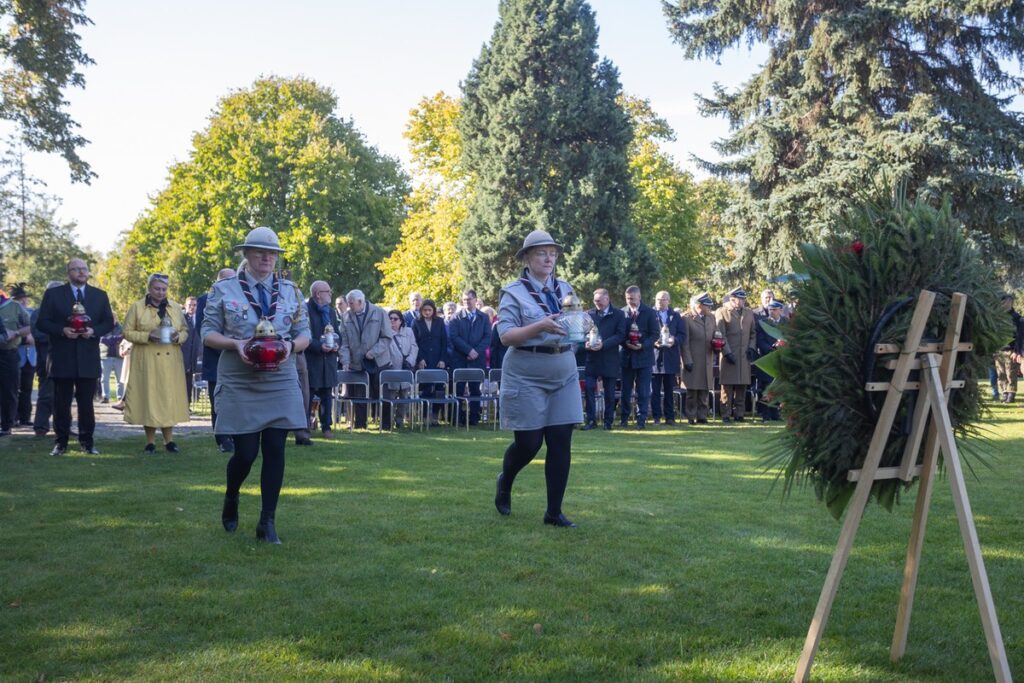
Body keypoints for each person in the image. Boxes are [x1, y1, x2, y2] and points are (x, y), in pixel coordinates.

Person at [201, 227, 310, 544]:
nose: (266, 257)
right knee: (246, 453)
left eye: (272, 252)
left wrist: (292, 347)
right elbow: (208, 333)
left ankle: (267, 521)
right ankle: (232, 494)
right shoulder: (224, 290)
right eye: (259, 251)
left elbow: (305, 333)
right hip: (240, 376)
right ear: (245, 255)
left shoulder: (291, 291)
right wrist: (236, 344)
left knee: (276, 448)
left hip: (280, 375)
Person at [494, 229, 583, 528]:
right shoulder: (513, 292)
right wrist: (539, 326)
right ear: (527, 258)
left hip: (564, 369)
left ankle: (553, 512)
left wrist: (587, 328)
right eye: (541, 253)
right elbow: (506, 336)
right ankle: (505, 481)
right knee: (529, 444)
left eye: (553, 253)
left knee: (560, 441)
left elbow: (574, 323)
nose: (548, 258)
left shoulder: (565, 288)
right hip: (526, 371)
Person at [35, 258, 115, 455]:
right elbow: (42, 323)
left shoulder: (99, 295)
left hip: (88, 358)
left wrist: (94, 331)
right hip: (62, 357)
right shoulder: (53, 294)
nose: (81, 272)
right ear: (68, 273)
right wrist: (62, 330)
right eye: (76, 269)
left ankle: (87, 442)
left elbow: (108, 322)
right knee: (61, 404)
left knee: (86, 404)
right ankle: (60, 442)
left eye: (84, 269)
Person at [122, 273, 191, 452]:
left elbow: (185, 330)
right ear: (149, 288)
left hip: (170, 362)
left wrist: (178, 337)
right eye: (157, 289)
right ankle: (150, 441)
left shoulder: (175, 307)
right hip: (148, 360)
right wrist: (147, 336)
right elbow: (127, 332)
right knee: (150, 399)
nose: (160, 292)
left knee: (168, 399)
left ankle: (169, 441)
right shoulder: (137, 307)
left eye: (164, 289)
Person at [339, 289, 393, 429]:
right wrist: (345, 360)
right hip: (357, 363)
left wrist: (373, 352)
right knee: (359, 395)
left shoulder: (379, 312)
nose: (349, 307)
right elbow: (343, 343)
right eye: (348, 304)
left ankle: (386, 425)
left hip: (379, 361)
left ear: (361, 302)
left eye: (351, 304)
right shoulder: (346, 317)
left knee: (383, 394)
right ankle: (360, 425)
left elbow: (387, 337)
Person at [196, 268, 236, 452]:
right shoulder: (205, 300)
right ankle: (222, 438)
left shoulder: (241, 297)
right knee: (217, 399)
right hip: (216, 357)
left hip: (238, 358)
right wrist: (225, 344)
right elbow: (203, 331)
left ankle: (237, 435)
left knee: (237, 399)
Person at [582, 288, 626, 430]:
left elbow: (620, 335)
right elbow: (581, 333)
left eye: (600, 301)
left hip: (609, 359)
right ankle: (591, 420)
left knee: (609, 392)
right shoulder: (589, 314)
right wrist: (586, 343)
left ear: (607, 299)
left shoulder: (619, 314)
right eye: (595, 301)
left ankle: (608, 421)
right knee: (589, 388)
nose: (598, 304)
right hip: (592, 359)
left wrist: (604, 344)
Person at [449, 288, 492, 426]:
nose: (466, 302)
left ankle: (474, 418)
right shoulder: (455, 317)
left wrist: (476, 352)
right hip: (460, 359)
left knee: (475, 390)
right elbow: (454, 337)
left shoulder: (483, 317)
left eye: (469, 299)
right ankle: (457, 418)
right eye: (464, 299)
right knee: (459, 389)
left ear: (475, 300)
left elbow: (487, 337)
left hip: (477, 359)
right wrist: (468, 351)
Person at [619, 285, 660, 429]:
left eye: (633, 299)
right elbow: (620, 333)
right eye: (628, 299)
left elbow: (655, 334)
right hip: (627, 357)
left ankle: (641, 419)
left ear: (639, 297)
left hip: (644, 357)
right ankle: (624, 418)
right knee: (626, 391)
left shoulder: (649, 312)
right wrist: (626, 343)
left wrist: (643, 345)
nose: (631, 301)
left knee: (643, 391)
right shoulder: (622, 313)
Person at [716, 287, 757, 422]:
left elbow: (753, 333)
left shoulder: (749, 313)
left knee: (742, 386)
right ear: (733, 299)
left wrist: (751, 347)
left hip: (744, 355)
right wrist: (727, 352)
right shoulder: (722, 312)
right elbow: (720, 334)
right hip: (729, 354)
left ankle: (739, 414)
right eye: (740, 298)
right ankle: (726, 414)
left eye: (744, 298)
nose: (743, 301)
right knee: (727, 387)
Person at [305, 280, 340, 438]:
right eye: (328, 291)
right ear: (318, 294)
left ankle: (327, 427)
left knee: (327, 395)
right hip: (313, 360)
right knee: (308, 394)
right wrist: (319, 346)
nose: (330, 294)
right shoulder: (305, 311)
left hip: (329, 360)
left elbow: (337, 332)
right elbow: (305, 336)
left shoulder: (331, 312)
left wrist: (337, 344)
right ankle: (304, 427)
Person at [30, 281, 62, 436]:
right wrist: (60, 332)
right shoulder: (38, 313)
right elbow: (38, 335)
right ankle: (41, 427)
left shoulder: (66, 312)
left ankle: (62, 427)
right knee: (46, 395)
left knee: (64, 395)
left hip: (64, 360)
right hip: (46, 361)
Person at [0, 284, 32, 436]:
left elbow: (30, 326)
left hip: (8, 354)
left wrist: (16, 332)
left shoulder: (14, 307)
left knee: (9, 390)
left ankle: (6, 425)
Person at [651, 290, 687, 425]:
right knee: (654, 391)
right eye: (658, 299)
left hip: (670, 357)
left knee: (668, 390)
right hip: (654, 357)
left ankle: (670, 417)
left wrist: (674, 340)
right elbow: (646, 332)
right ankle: (656, 417)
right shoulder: (650, 313)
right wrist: (654, 342)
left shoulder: (675, 316)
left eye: (663, 299)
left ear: (669, 301)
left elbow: (682, 335)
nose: (660, 301)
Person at [681, 292, 717, 424]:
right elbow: (684, 343)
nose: (708, 308)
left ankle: (702, 415)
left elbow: (716, 333)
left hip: (707, 358)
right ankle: (691, 416)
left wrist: (718, 343)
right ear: (698, 305)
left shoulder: (711, 318)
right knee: (692, 390)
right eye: (706, 305)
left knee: (704, 389)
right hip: (693, 359)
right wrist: (687, 360)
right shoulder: (687, 318)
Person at [412, 298, 449, 424]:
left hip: (438, 359)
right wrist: (420, 359)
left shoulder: (440, 322)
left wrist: (443, 359)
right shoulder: (416, 322)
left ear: (433, 310)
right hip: (424, 360)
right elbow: (414, 343)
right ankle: (424, 416)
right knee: (426, 387)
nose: (427, 312)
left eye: (429, 310)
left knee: (439, 388)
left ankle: (435, 417)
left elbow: (444, 342)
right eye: (424, 310)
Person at [386, 308, 419, 427]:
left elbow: (414, 347)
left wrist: (410, 361)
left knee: (404, 396)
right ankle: (388, 422)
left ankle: (399, 421)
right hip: (392, 369)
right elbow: (384, 350)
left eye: (395, 319)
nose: (392, 321)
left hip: (406, 368)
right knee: (391, 396)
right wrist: (388, 364)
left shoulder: (409, 331)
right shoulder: (385, 332)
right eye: (390, 319)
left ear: (401, 320)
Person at [754, 300, 785, 421]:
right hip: (766, 359)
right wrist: (772, 348)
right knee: (765, 386)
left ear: (781, 310)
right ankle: (765, 413)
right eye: (770, 309)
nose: (772, 312)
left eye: (775, 309)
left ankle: (775, 413)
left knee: (778, 386)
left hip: (781, 359)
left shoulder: (786, 322)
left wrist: (783, 346)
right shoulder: (763, 323)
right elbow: (760, 340)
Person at [994, 293, 1020, 403]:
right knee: (1001, 373)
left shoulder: (1017, 318)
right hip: (999, 350)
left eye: (1008, 301)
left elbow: (1020, 336)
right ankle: (1004, 393)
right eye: (1004, 301)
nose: (1006, 304)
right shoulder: (997, 317)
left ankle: (1011, 394)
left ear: (1011, 302)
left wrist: (1017, 351)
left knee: (1011, 373)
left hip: (1011, 349)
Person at [181, 295, 202, 406]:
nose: (192, 307)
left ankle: (187, 405)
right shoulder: (181, 318)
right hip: (182, 355)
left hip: (193, 355)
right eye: (190, 305)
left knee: (189, 381)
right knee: (180, 381)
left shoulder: (199, 319)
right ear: (185, 306)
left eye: (194, 305)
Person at [99, 321, 125, 404]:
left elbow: (122, 338)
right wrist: (115, 339)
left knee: (120, 379)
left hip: (119, 357)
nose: (112, 319)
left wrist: (110, 339)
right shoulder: (103, 327)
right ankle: (105, 397)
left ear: (116, 318)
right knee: (104, 379)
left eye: (113, 318)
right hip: (105, 356)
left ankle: (120, 398)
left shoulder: (121, 328)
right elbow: (101, 339)